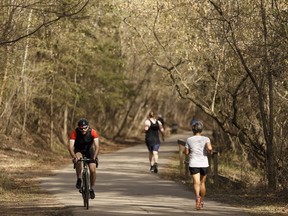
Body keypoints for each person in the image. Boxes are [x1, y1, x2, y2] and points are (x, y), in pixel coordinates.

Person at [183, 120, 212, 210]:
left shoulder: (189, 139)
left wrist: (185, 151)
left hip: (194, 163)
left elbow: (186, 152)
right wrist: (209, 150)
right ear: (201, 130)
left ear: (193, 130)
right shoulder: (206, 139)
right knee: (202, 183)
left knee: (196, 183)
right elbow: (209, 148)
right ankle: (202, 200)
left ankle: (197, 197)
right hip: (204, 163)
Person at [68, 118, 100, 199]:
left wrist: (94, 157)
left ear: (88, 127)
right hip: (79, 150)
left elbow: (97, 146)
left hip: (89, 151)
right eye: (81, 128)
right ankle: (79, 178)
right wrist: (74, 157)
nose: (83, 130)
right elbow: (71, 147)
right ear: (78, 127)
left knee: (92, 169)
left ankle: (91, 188)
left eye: (85, 128)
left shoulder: (93, 132)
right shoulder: (74, 133)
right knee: (78, 159)